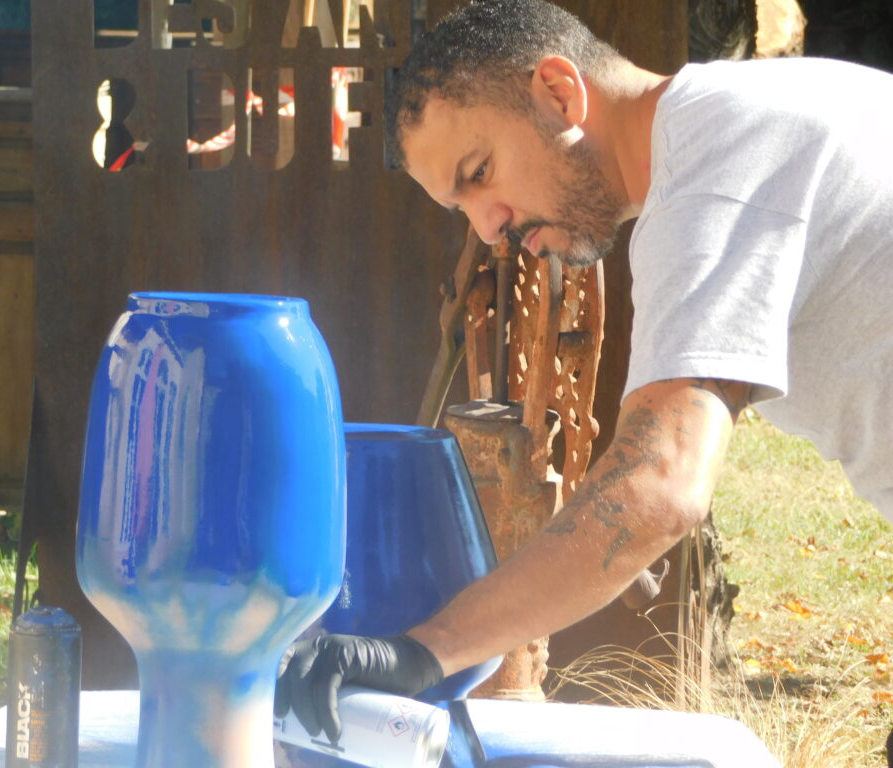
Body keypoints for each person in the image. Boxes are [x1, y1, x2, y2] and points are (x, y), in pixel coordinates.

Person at [274, 0, 893, 744]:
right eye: (460, 207)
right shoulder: (749, 119)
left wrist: (416, 652)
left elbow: (659, 487)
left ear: (560, 94)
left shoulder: (715, 162)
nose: (490, 227)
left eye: (480, 173)